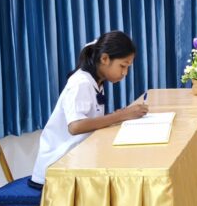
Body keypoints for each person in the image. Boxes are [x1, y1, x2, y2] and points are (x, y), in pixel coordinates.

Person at [29, 31, 148, 189]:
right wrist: (121, 116)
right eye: (123, 66)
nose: (125, 73)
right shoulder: (81, 83)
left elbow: (90, 119)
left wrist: (118, 115)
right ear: (104, 59)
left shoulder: (96, 81)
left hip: (77, 158)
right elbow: (76, 126)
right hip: (56, 168)